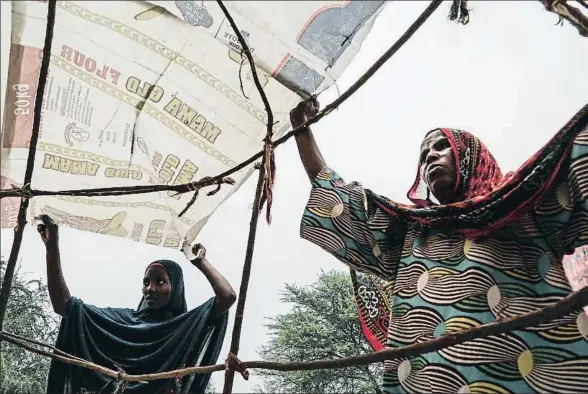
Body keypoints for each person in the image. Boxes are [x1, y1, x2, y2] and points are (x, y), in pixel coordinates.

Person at [292, 97, 588, 394]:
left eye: (440, 147)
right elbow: (339, 199)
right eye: (423, 156)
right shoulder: (409, 230)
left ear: (471, 156)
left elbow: (577, 156)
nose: (430, 158)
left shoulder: (525, 200)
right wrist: (300, 129)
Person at [37, 215, 236, 394]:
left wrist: (200, 261)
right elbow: (64, 306)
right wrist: (51, 246)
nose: (150, 288)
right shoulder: (122, 323)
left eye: (160, 282)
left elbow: (227, 297)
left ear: (175, 288)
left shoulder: (185, 329)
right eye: (146, 282)